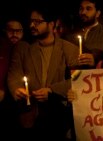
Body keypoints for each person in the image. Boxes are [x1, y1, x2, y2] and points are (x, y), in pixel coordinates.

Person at [7, 5, 79, 140]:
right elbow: (14, 74)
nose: (32, 25)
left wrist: (52, 90)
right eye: (31, 21)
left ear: (52, 24)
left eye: (38, 22)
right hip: (30, 114)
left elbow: (78, 80)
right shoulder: (23, 48)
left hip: (58, 116)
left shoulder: (69, 49)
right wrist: (17, 89)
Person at [65, 0, 103, 68]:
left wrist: (96, 61)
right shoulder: (70, 34)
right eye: (81, 9)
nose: (83, 12)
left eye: (88, 9)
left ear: (97, 13)